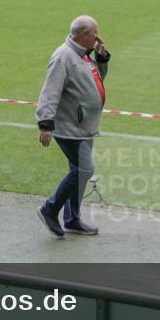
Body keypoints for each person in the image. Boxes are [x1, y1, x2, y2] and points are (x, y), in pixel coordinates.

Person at [35, 15, 110, 238]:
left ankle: (72, 218)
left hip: (84, 126)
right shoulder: (63, 57)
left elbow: (96, 80)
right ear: (83, 34)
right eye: (94, 32)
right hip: (70, 128)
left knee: (78, 171)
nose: (98, 36)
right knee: (84, 169)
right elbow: (50, 91)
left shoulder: (84, 56)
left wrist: (102, 59)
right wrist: (45, 123)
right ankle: (49, 210)